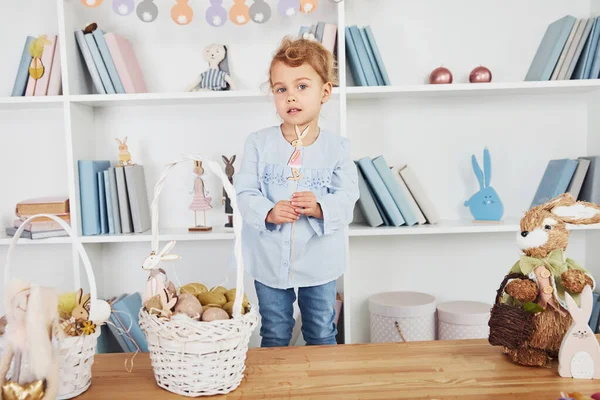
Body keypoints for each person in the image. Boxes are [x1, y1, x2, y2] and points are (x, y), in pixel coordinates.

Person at [234, 37, 359, 347]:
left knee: (320, 330)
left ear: (325, 92)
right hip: (269, 258)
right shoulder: (257, 142)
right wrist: (268, 211)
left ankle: (321, 388)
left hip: (320, 260)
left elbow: (347, 197)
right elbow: (244, 190)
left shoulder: (338, 148)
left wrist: (319, 207)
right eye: (281, 89)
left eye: (302, 86)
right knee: (275, 331)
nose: (291, 96)